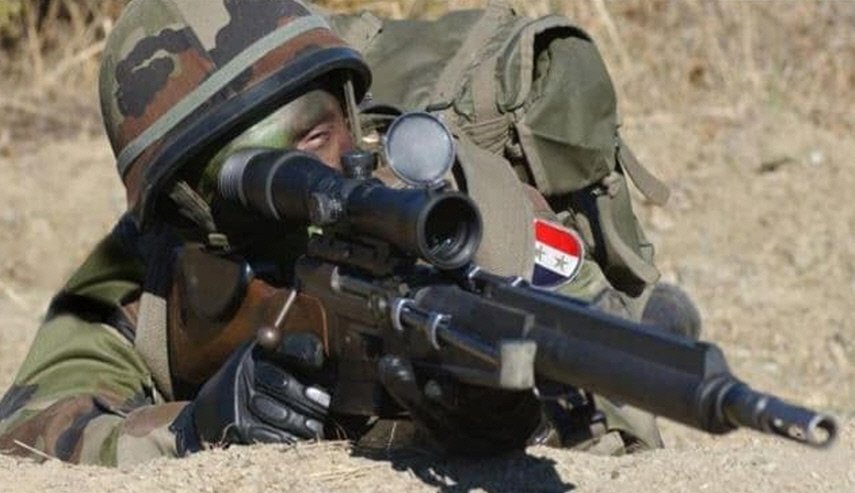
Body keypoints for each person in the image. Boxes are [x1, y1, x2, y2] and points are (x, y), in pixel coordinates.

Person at [0, 0, 698, 466]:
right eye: (251, 177)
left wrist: (506, 421)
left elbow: (626, 437)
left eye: (316, 134)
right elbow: (26, 435)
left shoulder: (469, 213)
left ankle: (654, 316)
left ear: (349, 109)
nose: (315, 180)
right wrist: (190, 429)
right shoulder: (152, 271)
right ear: (187, 207)